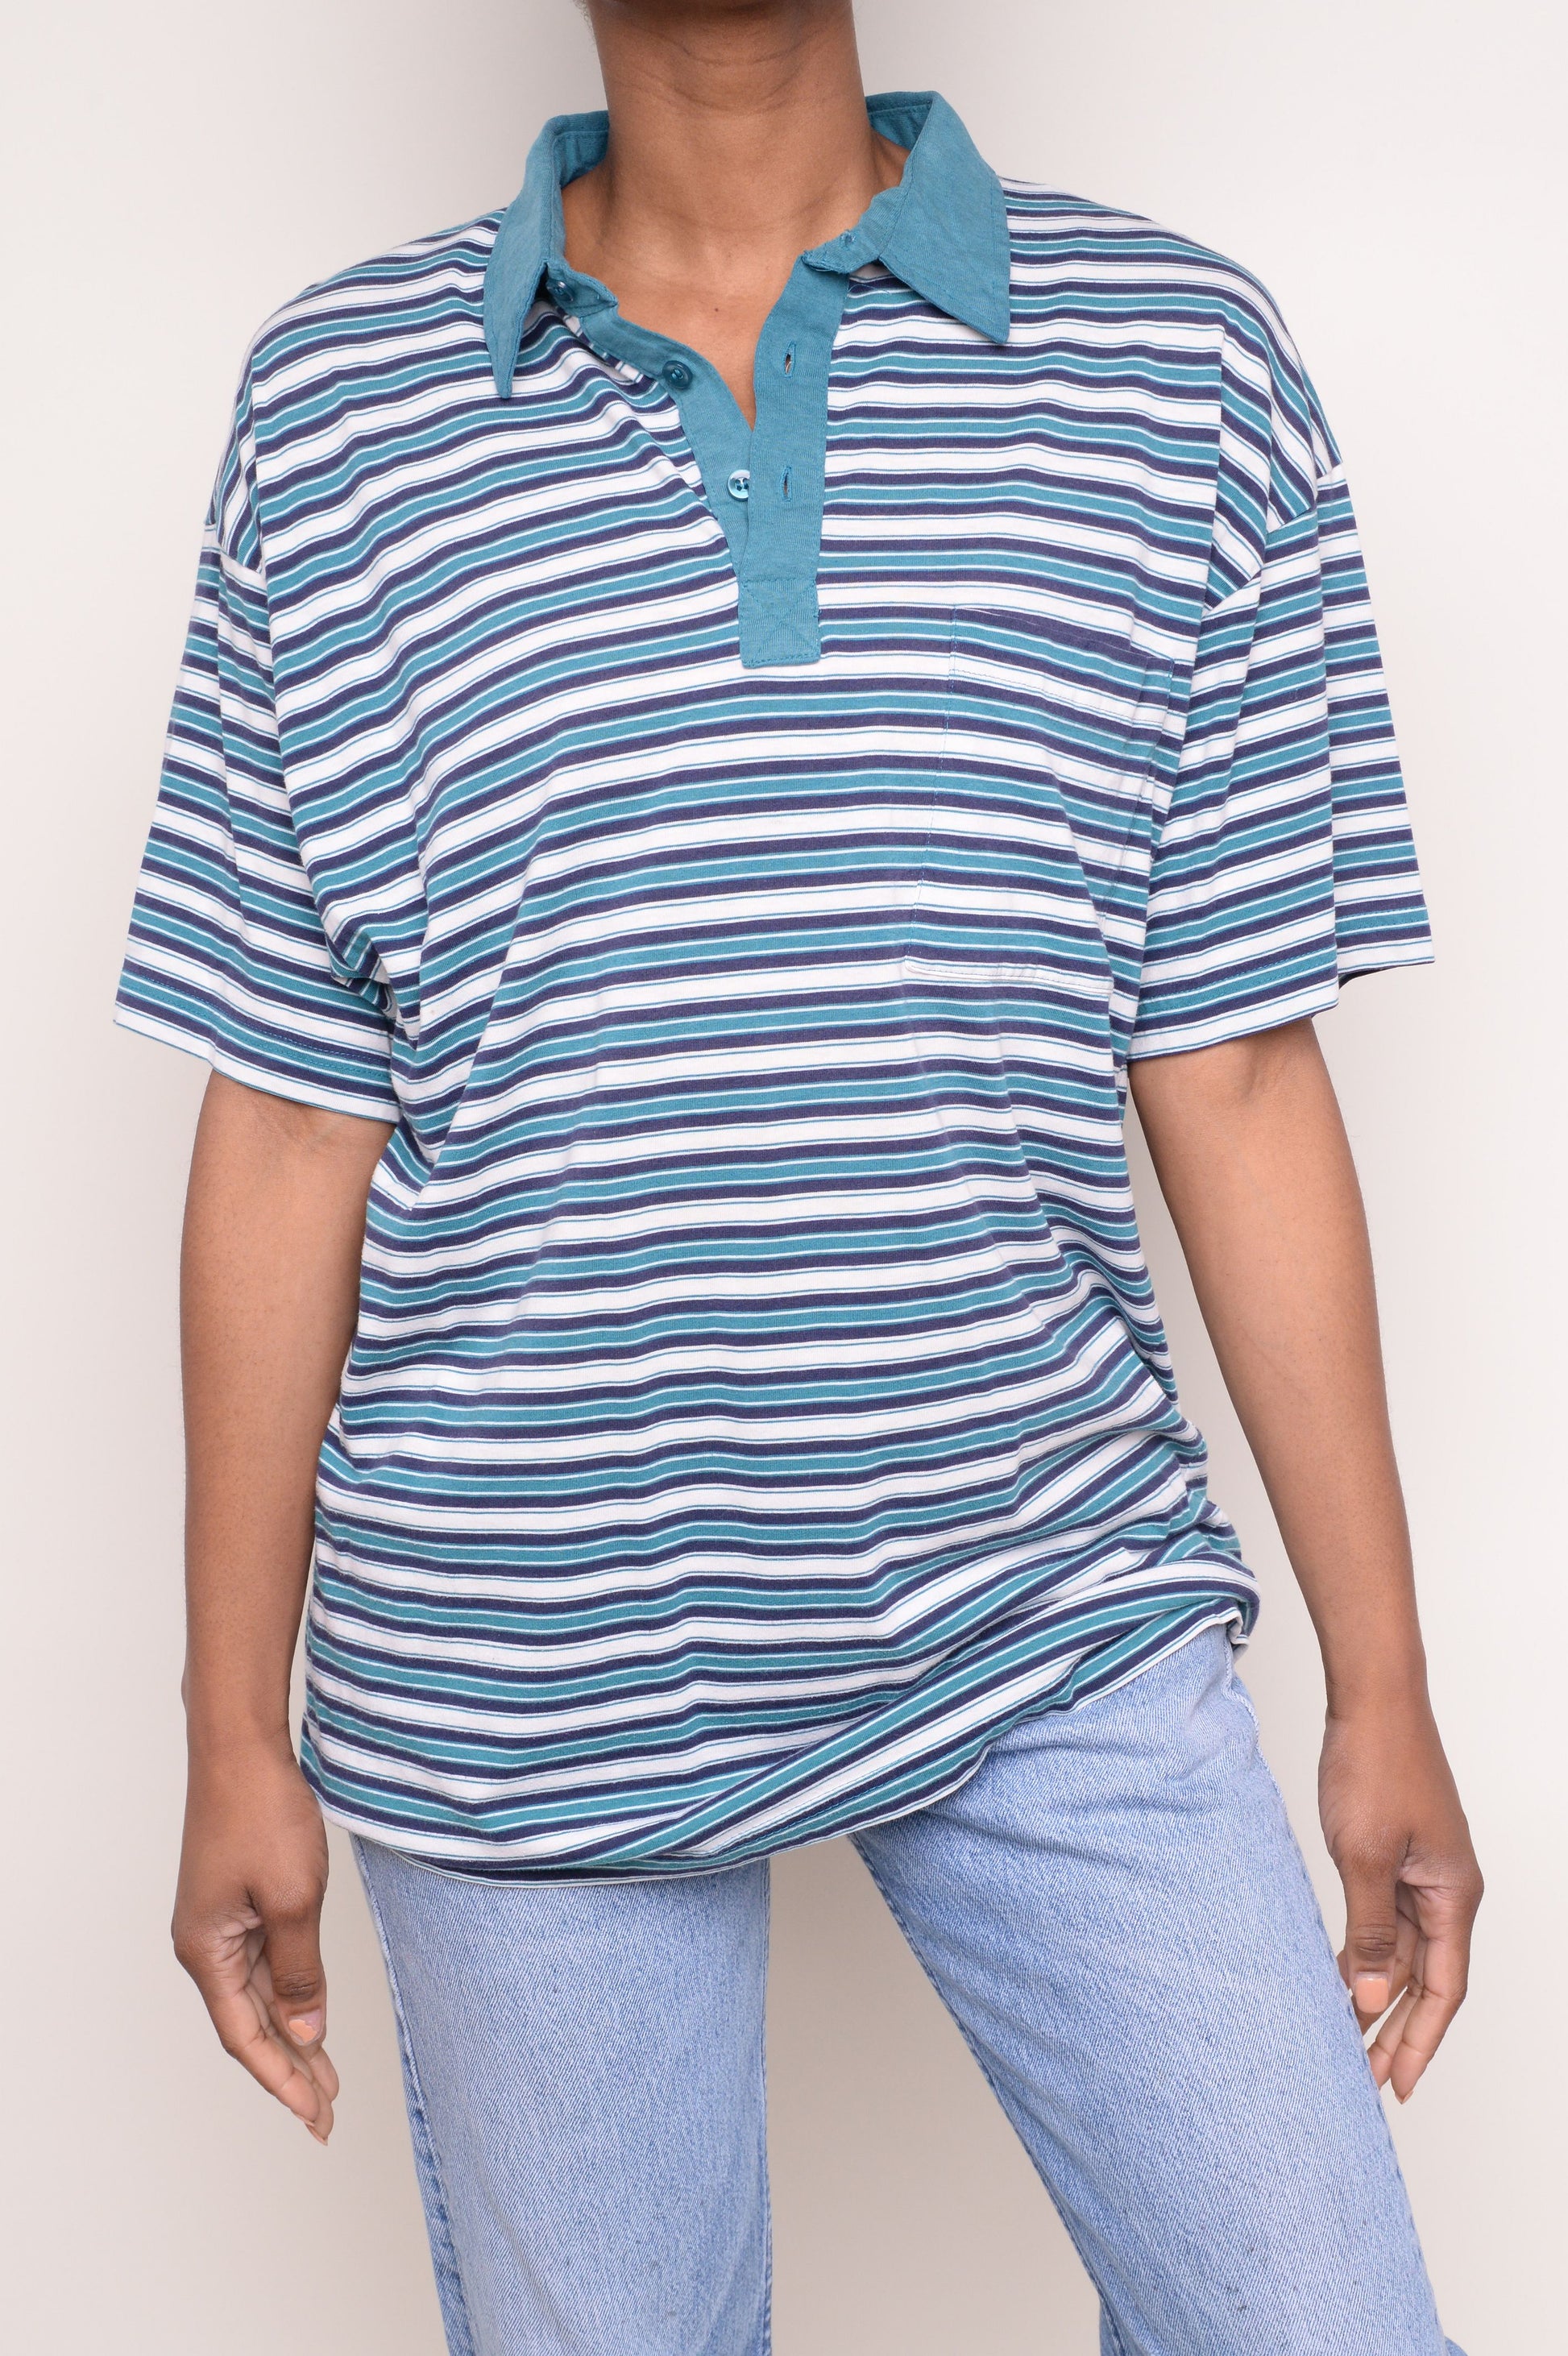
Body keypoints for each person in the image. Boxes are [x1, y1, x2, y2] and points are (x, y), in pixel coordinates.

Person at [116, 2, 1482, 2348]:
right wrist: (232, 1728)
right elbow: (290, 1111)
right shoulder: (339, 410)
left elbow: (1239, 1064)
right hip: (519, 1656)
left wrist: (1384, 1679)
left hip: (1044, 1594)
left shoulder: (1177, 365)